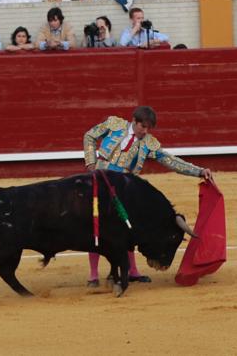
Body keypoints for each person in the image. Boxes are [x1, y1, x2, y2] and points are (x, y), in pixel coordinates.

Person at [82, 105, 215, 286]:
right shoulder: (114, 125)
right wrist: (90, 162)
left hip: (124, 189)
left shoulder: (147, 143)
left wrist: (199, 171)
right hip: (98, 180)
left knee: (129, 229)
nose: (145, 131)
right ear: (134, 121)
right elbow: (89, 136)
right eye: (142, 127)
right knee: (97, 225)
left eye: (148, 128)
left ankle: (132, 271)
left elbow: (170, 161)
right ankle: (93, 275)